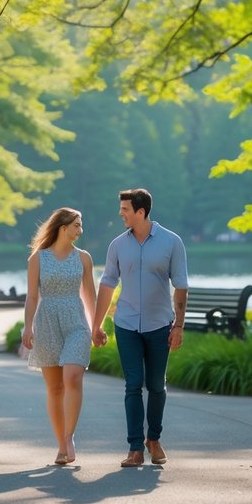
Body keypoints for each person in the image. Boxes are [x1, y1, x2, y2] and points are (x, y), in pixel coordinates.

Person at [92, 188, 189, 468]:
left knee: (156, 385)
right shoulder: (117, 246)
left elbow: (181, 286)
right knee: (133, 384)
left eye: (124, 209)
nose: (120, 214)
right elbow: (107, 284)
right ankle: (135, 447)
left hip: (160, 325)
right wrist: (96, 325)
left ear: (140, 212)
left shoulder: (172, 242)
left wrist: (179, 326)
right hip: (126, 325)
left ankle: (154, 439)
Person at [21, 207, 97, 466]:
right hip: (47, 324)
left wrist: (96, 327)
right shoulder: (38, 259)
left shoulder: (84, 258)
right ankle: (61, 445)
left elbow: (90, 296)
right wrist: (27, 326)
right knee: (55, 388)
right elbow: (32, 296)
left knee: (72, 376)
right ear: (63, 227)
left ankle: (70, 435)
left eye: (81, 224)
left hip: (76, 323)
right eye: (76, 225)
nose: (80, 230)